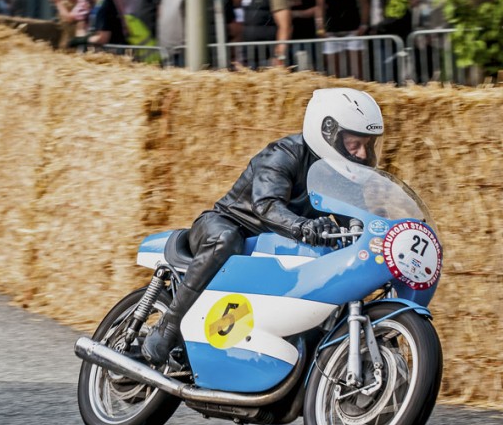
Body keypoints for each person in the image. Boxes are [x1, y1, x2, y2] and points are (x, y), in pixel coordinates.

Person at [142, 88, 384, 364]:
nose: (363, 154)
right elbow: (267, 205)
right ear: (328, 132)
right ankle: (169, 325)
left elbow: (355, 221)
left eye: (369, 144)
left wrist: (381, 236)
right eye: (355, 144)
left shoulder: (342, 177)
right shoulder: (284, 154)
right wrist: (304, 226)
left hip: (277, 245)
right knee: (226, 238)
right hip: (229, 224)